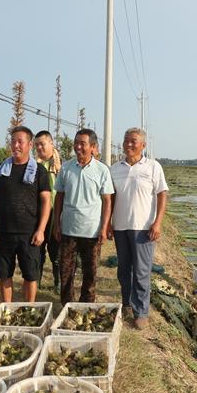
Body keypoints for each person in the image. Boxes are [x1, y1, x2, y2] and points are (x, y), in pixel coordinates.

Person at [107, 127, 168, 330]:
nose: (128, 144)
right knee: (124, 270)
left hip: (143, 228)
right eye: (126, 140)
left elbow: (162, 194)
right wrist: (108, 222)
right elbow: (111, 197)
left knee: (142, 271)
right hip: (121, 227)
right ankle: (127, 303)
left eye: (133, 141)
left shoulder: (152, 167)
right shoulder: (115, 168)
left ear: (143, 145)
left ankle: (141, 311)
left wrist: (157, 222)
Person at [0, 126, 52, 303]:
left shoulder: (39, 171)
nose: (16, 145)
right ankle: (6, 308)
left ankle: (29, 308)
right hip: (5, 231)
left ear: (30, 144)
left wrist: (41, 230)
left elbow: (47, 201)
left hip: (29, 233)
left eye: (20, 141)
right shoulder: (2, 169)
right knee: (4, 272)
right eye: (13, 141)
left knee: (30, 274)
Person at [52, 129, 114, 304]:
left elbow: (107, 200)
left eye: (83, 144)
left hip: (91, 231)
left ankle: (86, 305)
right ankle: (67, 305)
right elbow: (59, 197)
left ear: (93, 147)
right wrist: (56, 223)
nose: (78, 147)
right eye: (76, 143)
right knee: (66, 271)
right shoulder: (66, 167)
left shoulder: (102, 170)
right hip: (68, 229)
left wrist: (104, 227)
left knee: (90, 273)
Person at [34, 130, 62, 293]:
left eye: (42, 144)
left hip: (56, 212)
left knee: (56, 249)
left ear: (51, 144)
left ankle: (57, 282)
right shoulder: (33, 166)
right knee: (37, 248)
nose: (39, 147)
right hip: (37, 212)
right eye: (36, 145)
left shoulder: (61, 166)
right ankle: (35, 280)